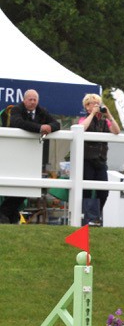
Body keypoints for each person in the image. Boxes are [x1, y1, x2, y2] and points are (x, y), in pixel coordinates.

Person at [0, 89, 61, 224]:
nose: (33, 102)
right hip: (14, 153)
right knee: (15, 185)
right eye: (30, 99)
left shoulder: (41, 111)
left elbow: (57, 124)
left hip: (31, 157)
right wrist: (40, 128)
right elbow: (18, 123)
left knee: (26, 186)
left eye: (35, 100)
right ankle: (6, 214)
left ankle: (7, 214)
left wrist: (49, 127)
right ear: (24, 100)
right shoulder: (16, 109)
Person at [77, 93, 120, 226]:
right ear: (86, 107)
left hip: (101, 160)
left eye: (97, 103)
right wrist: (91, 115)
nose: (95, 105)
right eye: (91, 103)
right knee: (87, 191)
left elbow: (117, 131)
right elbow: (81, 128)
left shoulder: (104, 121)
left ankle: (96, 216)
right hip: (87, 160)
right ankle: (87, 218)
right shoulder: (83, 119)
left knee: (104, 191)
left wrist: (109, 115)